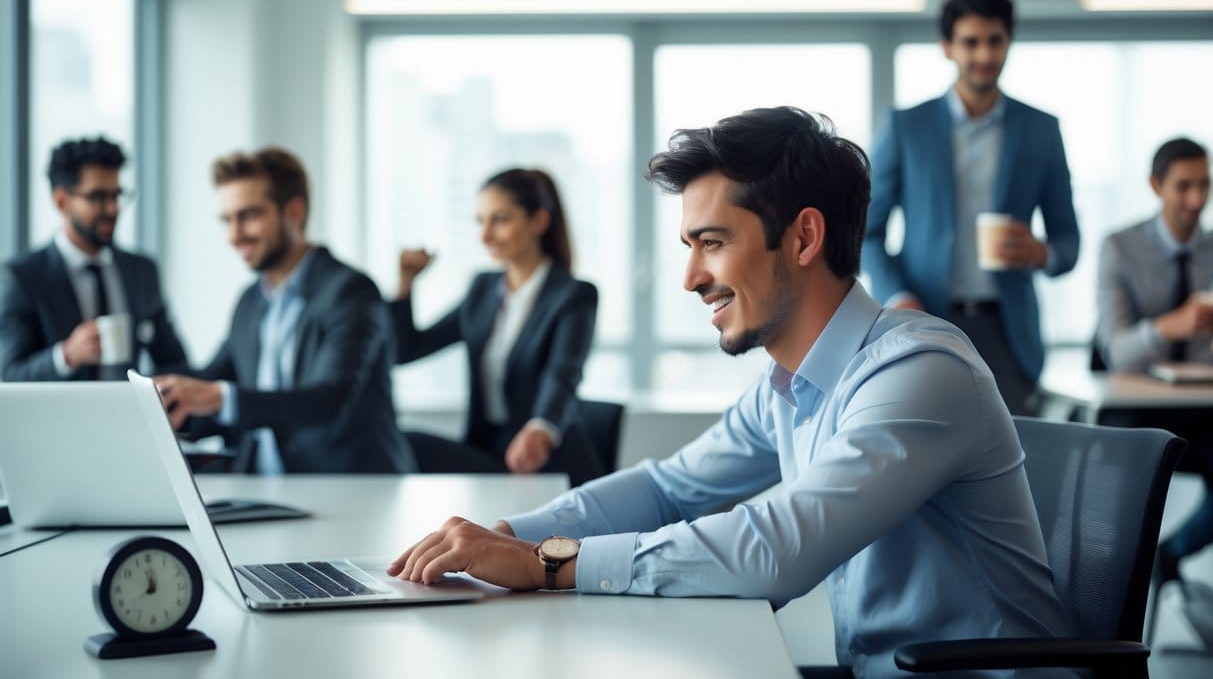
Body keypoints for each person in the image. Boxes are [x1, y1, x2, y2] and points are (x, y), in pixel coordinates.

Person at [387, 107, 1072, 678]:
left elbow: (780, 548)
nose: (690, 277)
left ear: (803, 236)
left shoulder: (920, 371)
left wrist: (545, 565)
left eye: (710, 243)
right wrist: (503, 537)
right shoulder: (786, 384)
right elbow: (667, 490)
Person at [863, 0, 1080, 415]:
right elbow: (866, 233)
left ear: (1009, 41)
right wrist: (897, 295)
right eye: (971, 42)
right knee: (924, 459)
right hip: (924, 320)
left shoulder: (1041, 129)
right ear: (948, 47)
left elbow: (1068, 240)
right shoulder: (908, 127)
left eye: (995, 41)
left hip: (1007, 332)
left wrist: (1040, 252)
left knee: (1015, 465)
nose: (984, 55)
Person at [154, 148, 415, 474]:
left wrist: (219, 397)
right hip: (265, 486)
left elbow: (328, 401)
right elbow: (214, 376)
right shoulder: (251, 301)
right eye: (227, 220)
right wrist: (159, 394)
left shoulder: (350, 292)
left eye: (248, 216)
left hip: (348, 488)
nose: (234, 235)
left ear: (293, 211)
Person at [391, 168, 603, 485]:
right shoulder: (482, 290)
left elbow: (563, 374)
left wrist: (541, 428)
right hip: (489, 454)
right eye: (481, 221)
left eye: (500, 220)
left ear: (539, 222)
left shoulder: (573, 295)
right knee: (401, 442)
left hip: (545, 462)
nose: (485, 235)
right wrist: (405, 285)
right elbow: (405, 350)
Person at [1096, 136, 1212, 587]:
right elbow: (1117, 352)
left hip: (1202, 409)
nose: (1196, 199)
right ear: (1156, 185)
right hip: (1136, 409)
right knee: (1114, 490)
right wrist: (1173, 326)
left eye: (1204, 185)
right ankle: (1110, 585)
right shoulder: (1120, 248)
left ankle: (1171, 558)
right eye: (1184, 186)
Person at [0, 137, 188, 381]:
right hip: (61, 417)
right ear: (61, 201)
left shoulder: (141, 272)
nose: (112, 209)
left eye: (117, 195)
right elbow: (9, 375)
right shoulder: (23, 277)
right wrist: (65, 356)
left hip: (127, 415)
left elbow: (174, 362)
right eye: (98, 197)